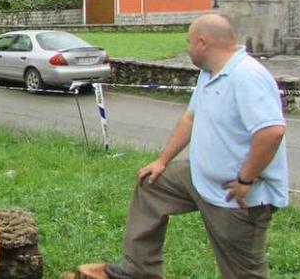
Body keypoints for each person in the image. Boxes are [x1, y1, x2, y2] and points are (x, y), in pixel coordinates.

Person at [72, 14, 288, 279]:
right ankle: (139, 271)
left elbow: (272, 132)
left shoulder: (247, 76)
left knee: (242, 273)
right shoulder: (209, 73)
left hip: (236, 196)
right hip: (200, 178)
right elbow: (190, 117)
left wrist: (246, 178)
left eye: (188, 42)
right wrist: (162, 161)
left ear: (202, 42)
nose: (187, 48)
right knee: (152, 185)